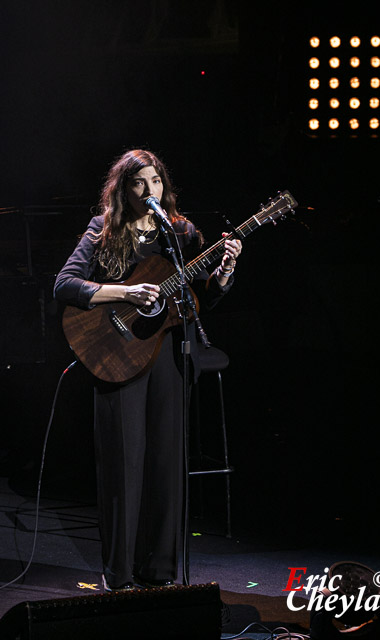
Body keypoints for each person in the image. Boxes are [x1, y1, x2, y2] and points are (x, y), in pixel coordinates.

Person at [54, 148, 242, 591]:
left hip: (169, 355)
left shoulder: (180, 234)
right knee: (124, 465)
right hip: (117, 354)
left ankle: (159, 574)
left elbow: (203, 299)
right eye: (139, 182)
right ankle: (117, 576)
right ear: (124, 189)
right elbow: (65, 284)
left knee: (166, 464)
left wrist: (223, 276)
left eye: (155, 181)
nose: (149, 191)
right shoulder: (104, 230)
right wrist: (121, 292)